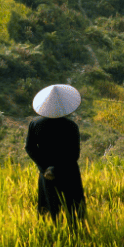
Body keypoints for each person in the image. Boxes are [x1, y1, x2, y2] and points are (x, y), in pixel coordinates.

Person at [25, 83, 86, 225]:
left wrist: (46, 167)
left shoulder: (35, 124)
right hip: (68, 171)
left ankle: (52, 235)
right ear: (64, 105)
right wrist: (58, 168)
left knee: (50, 207)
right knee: (74, 207)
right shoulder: (71, 126)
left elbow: (30, 148)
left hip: (47, 173)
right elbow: (74, 154)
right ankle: (76, 234)